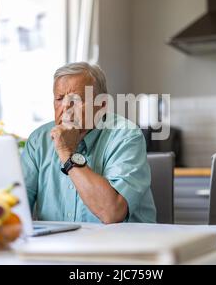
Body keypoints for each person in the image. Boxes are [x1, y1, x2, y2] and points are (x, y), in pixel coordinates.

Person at [21, 62, 156, 224]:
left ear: (102, 105)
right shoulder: (38, 140)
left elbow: (111, 213)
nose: (65, 107)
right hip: (57, 246)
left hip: (120, 245)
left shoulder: (126, 135)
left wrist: (67, 152)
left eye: (76, 100)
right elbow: (15, 207)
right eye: (59, 98)